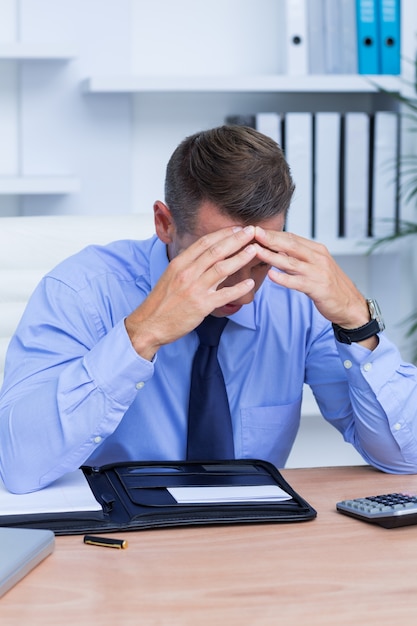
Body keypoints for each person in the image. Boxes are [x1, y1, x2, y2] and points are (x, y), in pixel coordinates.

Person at [1, 125, 417, 494]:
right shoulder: (80, 291)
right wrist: (141, 335)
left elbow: (405, 458)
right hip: (117, 544)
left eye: (259, 257)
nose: (244, 286)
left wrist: (357, 322)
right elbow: (18, 468)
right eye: (219, 257)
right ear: (164, 222)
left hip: (250, 545)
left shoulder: (297, 297)